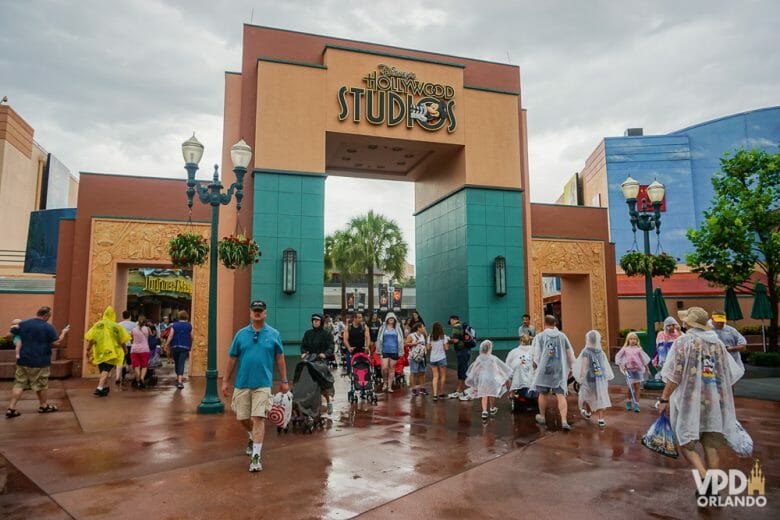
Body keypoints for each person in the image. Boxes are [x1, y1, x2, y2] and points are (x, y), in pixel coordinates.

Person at [658, 307, 744, 489]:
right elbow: (729, 373)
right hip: (714, 402)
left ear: (689, 323)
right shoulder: (718, 344)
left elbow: (675, 374)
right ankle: (711, 483)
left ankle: (704, 476)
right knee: (710, 443)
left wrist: (664, 398)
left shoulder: (683, 342)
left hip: (689, 401)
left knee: (685, 442)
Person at [221, 300, 288, 473]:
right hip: (242, 383)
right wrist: (225, 381)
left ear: (265, 313)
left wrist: (284, 380)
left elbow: (280, 358)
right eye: (254, 311)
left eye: (260, 311)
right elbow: (232, 358)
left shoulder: (273, 334)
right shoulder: (241, 334)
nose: (257, 313)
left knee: (258, 418)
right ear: (250, 313)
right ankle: (251, 436)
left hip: (263, 385)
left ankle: (256, 457)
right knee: (243, 417)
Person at [5, 306, 70, 418]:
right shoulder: (48, 327)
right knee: (41, 385)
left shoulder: (23, 323)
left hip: (23, 360)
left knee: (19, 384)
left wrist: (19, 341)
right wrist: (64, 332)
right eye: (49, 315)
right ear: (46, 315)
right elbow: (57, 342)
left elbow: (8, 336)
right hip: (40, 360)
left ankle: (11, 408)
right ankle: (44, 406)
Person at [530, 315, 576, 430]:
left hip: (544, 369)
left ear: (544, 323)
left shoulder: (540, 337)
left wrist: (535, 365)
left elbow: (536, 354)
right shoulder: (562, 336)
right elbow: (570, 353)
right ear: (555, 323)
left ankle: (542, 416)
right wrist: (572, 367)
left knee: (543, 393)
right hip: (558, 369)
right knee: (560, 394)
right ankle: (564, 421)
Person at [84, 306, 131, 397]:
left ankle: (104, 387)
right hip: (111, 351)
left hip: (99, 351)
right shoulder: (116, 327)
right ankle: (100, 387)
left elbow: (92, 338)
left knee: (103, 369)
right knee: (106, 369)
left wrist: (88, 349)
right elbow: (122, 340)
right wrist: (125, 350)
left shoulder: (97, 325)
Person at [573, 330, 614, 427]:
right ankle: (601, 418)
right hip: (600, 377)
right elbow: (604, 365)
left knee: (587, 395)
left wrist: (581, 378)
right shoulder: (600, 352)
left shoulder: (586, 352)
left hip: (590, 377)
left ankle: (588, 413)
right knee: (599, 396)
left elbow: (584, 367)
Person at [465, 340, 513, 420]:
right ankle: (492, 408)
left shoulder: (479, 358)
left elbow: (475, 368)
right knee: (491, 393)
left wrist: (474, 375)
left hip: (482, 378)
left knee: (484, 394)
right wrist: (502, 375)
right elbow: (496, 368)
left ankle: (484, 411)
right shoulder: (492, 358)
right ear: (489, 349)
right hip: (491, 378)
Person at [300, 313, 335, 414]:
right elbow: (303, 346)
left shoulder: (327, 334)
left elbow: (331, 347)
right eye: (314, 320)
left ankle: (328, 401)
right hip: (310, 359)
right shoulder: (308, 333)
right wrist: (303, 353)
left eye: (317, 320)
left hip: (321, 361)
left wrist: (325, 354)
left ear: (321, 322)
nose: (315, 322)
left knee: (321, 383)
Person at [615, 332, 651, 412]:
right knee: (630, 387)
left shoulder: (639, 349)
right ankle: (629, 401)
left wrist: (647, 369)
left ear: (637, 340)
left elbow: (643, 360)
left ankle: (637, 404)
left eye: (634, 339)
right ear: (628, 340)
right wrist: (621, 365)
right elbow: (618, 357)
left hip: (637, 370)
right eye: (631, 339)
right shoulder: (625, 349)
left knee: (637, 387)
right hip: (629, 370)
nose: (633, 340)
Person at [376, 312, 404, 393]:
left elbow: (401, 340)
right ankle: (385, 382)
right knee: (384, 368)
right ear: (387, 319)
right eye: (390, 318)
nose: (391, 319)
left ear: (395, 319)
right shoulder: (382, 328)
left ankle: (389, 386)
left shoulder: (397, 328)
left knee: (392, 369)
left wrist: (401, 352)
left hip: (394, 351)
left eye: (393, 318)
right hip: (384, 351)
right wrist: (378, 350)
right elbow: (379, 339)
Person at [166, 310, 193, 389]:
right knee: (181, 363)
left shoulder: (174, 325)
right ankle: (180, 381)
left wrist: (166, 344)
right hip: (185, 346)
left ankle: (178, 379)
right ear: (186, 317)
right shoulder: (189, 325)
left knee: (177, 362)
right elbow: (192, 337)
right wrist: (190, 344)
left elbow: (170, 336)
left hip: (175, 346)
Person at [448, 315, 472, 401]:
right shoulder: (463, 325)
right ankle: (461, 390)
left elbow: (456, 340)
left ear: (453, 320)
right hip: (467, 350)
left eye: (450, 321)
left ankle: (463, 390)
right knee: (465, 369)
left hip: (461, 351)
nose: (450, 323)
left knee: (462, 370)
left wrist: (447, 340)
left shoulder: (456, 327)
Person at [505, 334, 535, 399]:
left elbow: (507, 365)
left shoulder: (513, 352)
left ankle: (512, 394)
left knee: (510, 375)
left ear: (520, 341)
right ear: (529, 341)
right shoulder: (534, 351)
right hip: (532, 377)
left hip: (517, 378)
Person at [427, 321, 449, 401]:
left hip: (433, 358)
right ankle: (441, 392)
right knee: (443, 376)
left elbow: (428, 348)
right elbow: (446, 348)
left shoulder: (430, 337)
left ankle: (435, 395)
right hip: (441, 358)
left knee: (435, 376)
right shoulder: (443, 337)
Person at [406, 322, 428, 397]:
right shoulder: (411, 335)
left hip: (422, 357)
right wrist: (414, 343)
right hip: (413, 357)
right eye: (423, 327)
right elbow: (406, 343)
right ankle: (413, 389)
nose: (424, 328)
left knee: (422, 372)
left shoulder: (423, 335)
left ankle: (422, 388)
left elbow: (424, 344)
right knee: (414, 372)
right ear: (419, 328)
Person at [130, 315, 151, 389]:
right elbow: (151, 335)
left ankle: (138, 381)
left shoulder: (133, 329)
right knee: (144, 366)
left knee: (136, 366)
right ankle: (142, 379)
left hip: (134, 350)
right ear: (145, 321)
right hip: (145, 349)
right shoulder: (147, 329)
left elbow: (131, 339)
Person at [116, 310, 136, 387]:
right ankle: (131, 376)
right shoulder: (134, 324)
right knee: (130, 361)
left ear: (123, 316)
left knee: (120, 361)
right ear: (130, 316)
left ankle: (117, 377)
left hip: (120, 345)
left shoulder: (119, 325)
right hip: (130, 345)